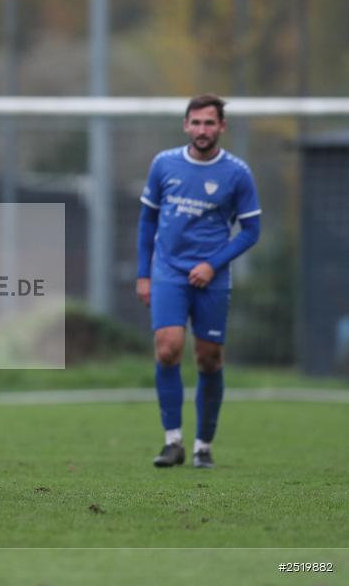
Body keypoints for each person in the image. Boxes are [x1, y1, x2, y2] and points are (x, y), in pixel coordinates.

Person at [136, 94, 261, 469]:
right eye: (196, 122)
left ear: (221, 127)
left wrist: (213, 263)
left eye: (210, 123)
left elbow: (251, 230)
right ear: (186, 125)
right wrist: (144, 273)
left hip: (212, 277)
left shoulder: (237, 172)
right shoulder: (164, 164)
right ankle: (172, 441)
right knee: (168, 347)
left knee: (208, 358)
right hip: (169, 272)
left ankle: (202, 445)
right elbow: (147, 223)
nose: (202, 130)